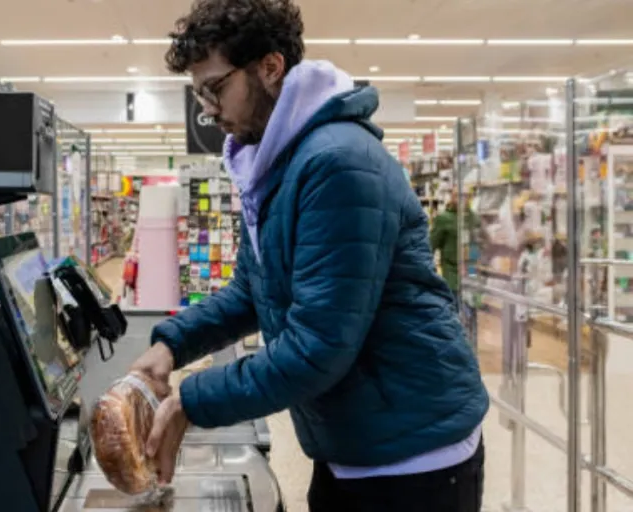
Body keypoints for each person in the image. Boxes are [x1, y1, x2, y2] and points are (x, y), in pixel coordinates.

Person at [130, 0, 490, 510]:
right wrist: (171, 345)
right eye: (199, 95)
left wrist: (192, 400)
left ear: (270, 68)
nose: (207, 110)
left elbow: (317, 347)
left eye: (215, 88)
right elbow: (250, 292)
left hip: (411, 453)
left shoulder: (336, 163)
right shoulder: (278, 165)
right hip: (358, 439)